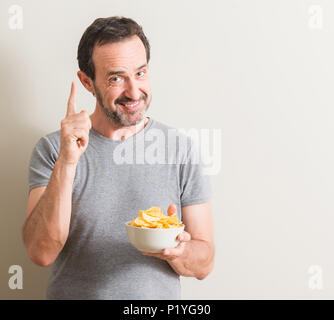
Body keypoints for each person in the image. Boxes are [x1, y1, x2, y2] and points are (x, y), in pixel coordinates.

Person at [23, 16, 214, 300]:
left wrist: (179, 250)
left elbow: (205, 262)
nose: (134, 91)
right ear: (87, 81)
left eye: (140, 73)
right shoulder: (53, 150)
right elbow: (41, 252)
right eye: (116, 78)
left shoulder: (180, 149)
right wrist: (67, 161)